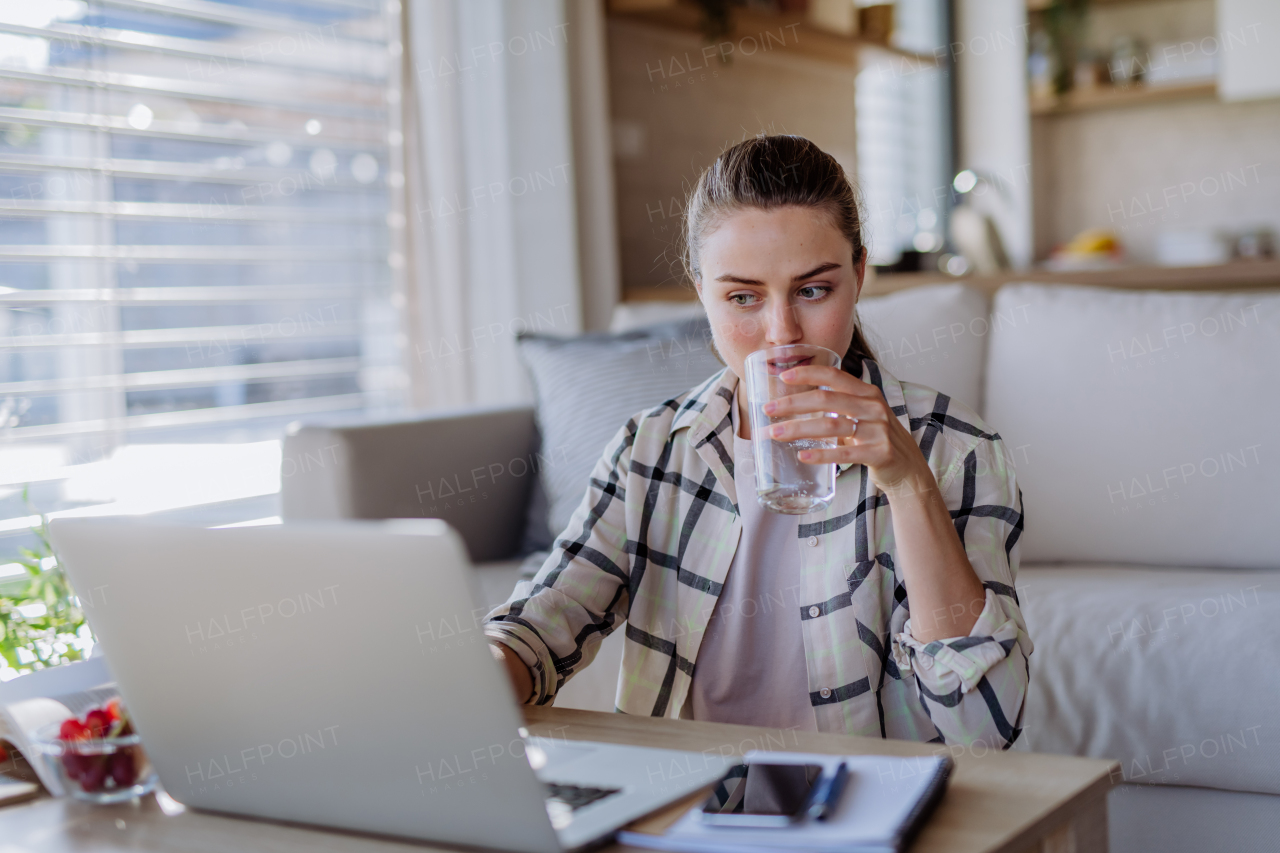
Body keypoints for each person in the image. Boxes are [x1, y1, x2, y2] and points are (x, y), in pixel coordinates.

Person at [484, 135, 1032, 749]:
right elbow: (541, 628)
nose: (782, 335)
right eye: (743, 297)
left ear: (858, 274)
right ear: (701, 291)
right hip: (687, 810)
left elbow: (986, 725)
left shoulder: (957, 449)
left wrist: (908, 485)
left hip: (868, 814)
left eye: (813, 290)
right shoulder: (650, 450)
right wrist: (466, 674)